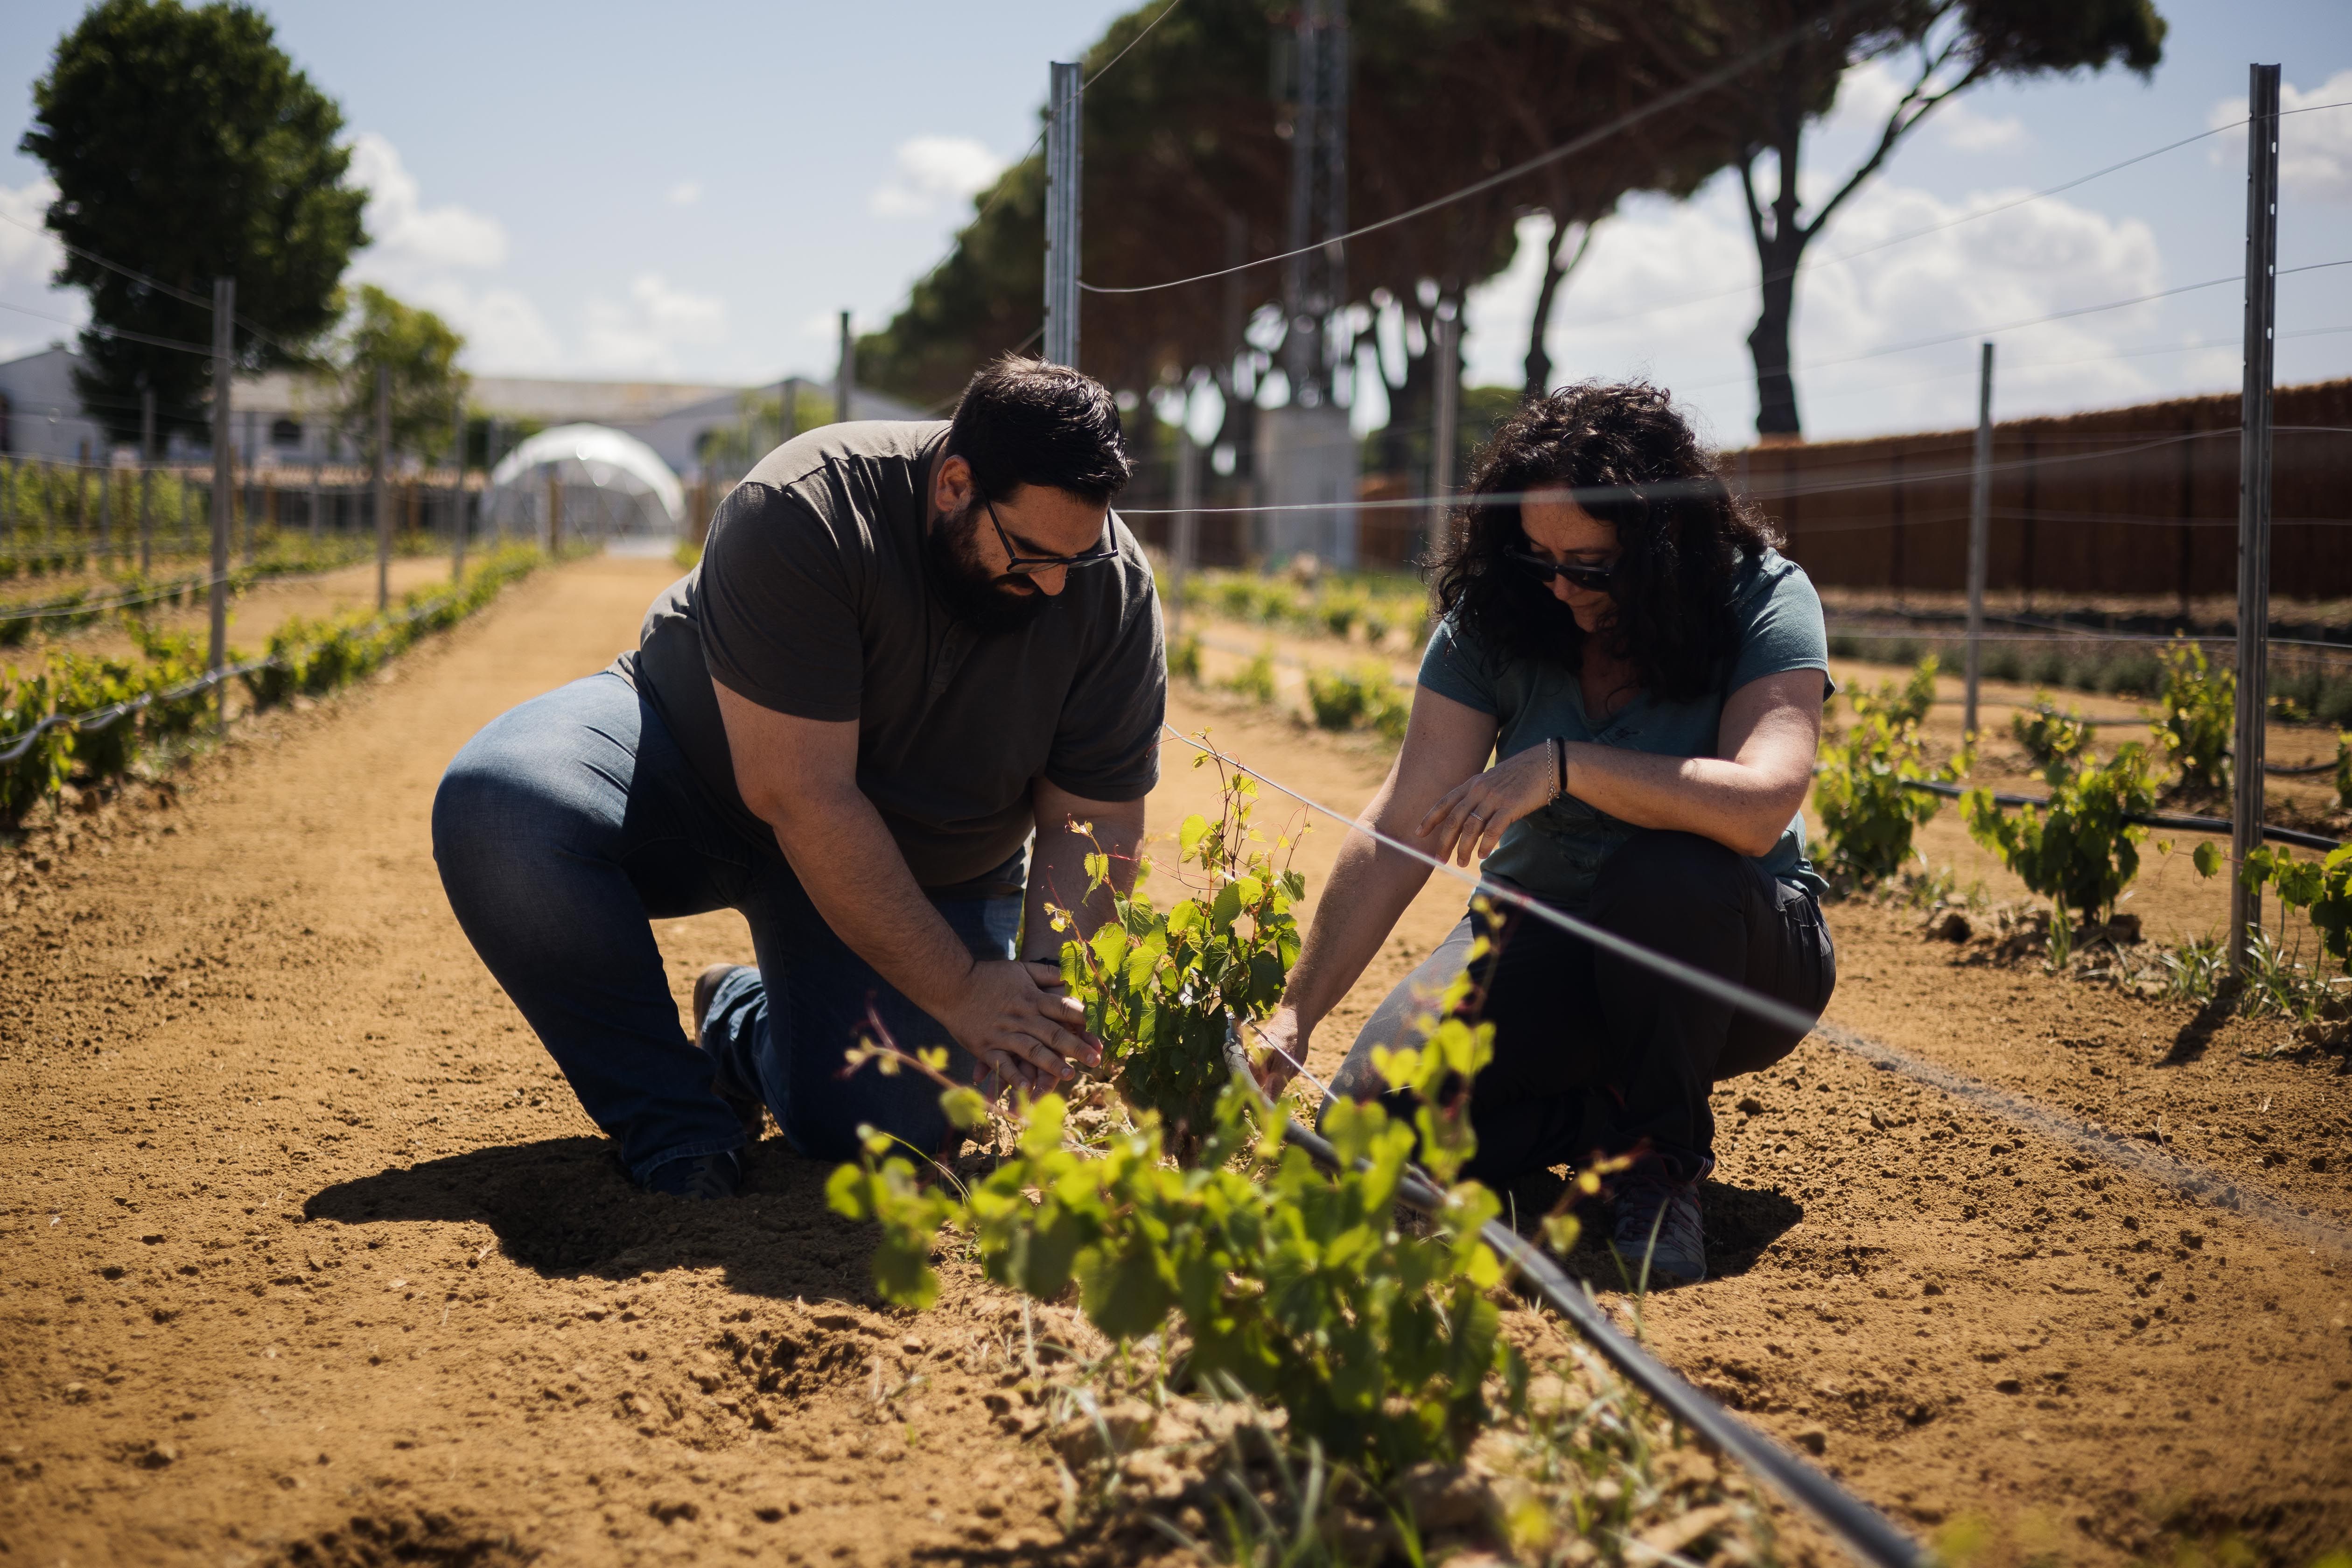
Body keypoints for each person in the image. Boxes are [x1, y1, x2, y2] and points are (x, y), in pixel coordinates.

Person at [431, 357, 1164, 1199]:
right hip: (697, 778)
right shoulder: (805, 506)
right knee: (502, 812)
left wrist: (1037, 1022)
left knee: (896, 1128)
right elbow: (801, 794)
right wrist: (961, 989)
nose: (1053, 584)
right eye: (1030, 553)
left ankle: (743, 1021)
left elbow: (1096, 823)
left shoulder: (1106, 587)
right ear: (955, 484)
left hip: (916, 862)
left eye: (1076, 556)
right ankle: (674, 1118)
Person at [1252, 382, 1836, 1284]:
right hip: (1547, 934)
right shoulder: (1502, 617)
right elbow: (1404, 818)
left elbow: (1763, 805)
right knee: (1365, 1127)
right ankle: (1597, 1125)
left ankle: (1659, 1160)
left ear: (1662, 548)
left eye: (1591, 564)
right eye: (1539, 558)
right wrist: (1299, 1012)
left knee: (1666, 871)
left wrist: (1565, 766)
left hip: (1734, 955)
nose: (1561, 586)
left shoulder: (1760, 598)